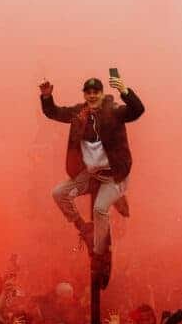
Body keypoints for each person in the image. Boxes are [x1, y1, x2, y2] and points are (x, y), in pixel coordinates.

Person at [39, 75, 145, 281]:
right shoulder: (79, 113)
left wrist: (125, 91)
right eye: (88, 92)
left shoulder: (113, 112)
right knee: (59, 193)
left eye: (96, 92)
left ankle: (99, 254)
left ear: (102, 93)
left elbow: (137, 110)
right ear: (84, 95)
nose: (92, 95)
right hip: (90, 174)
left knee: (99, 209)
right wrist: (46, 97)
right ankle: (85, 229)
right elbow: (54, 112)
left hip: (114, 175)